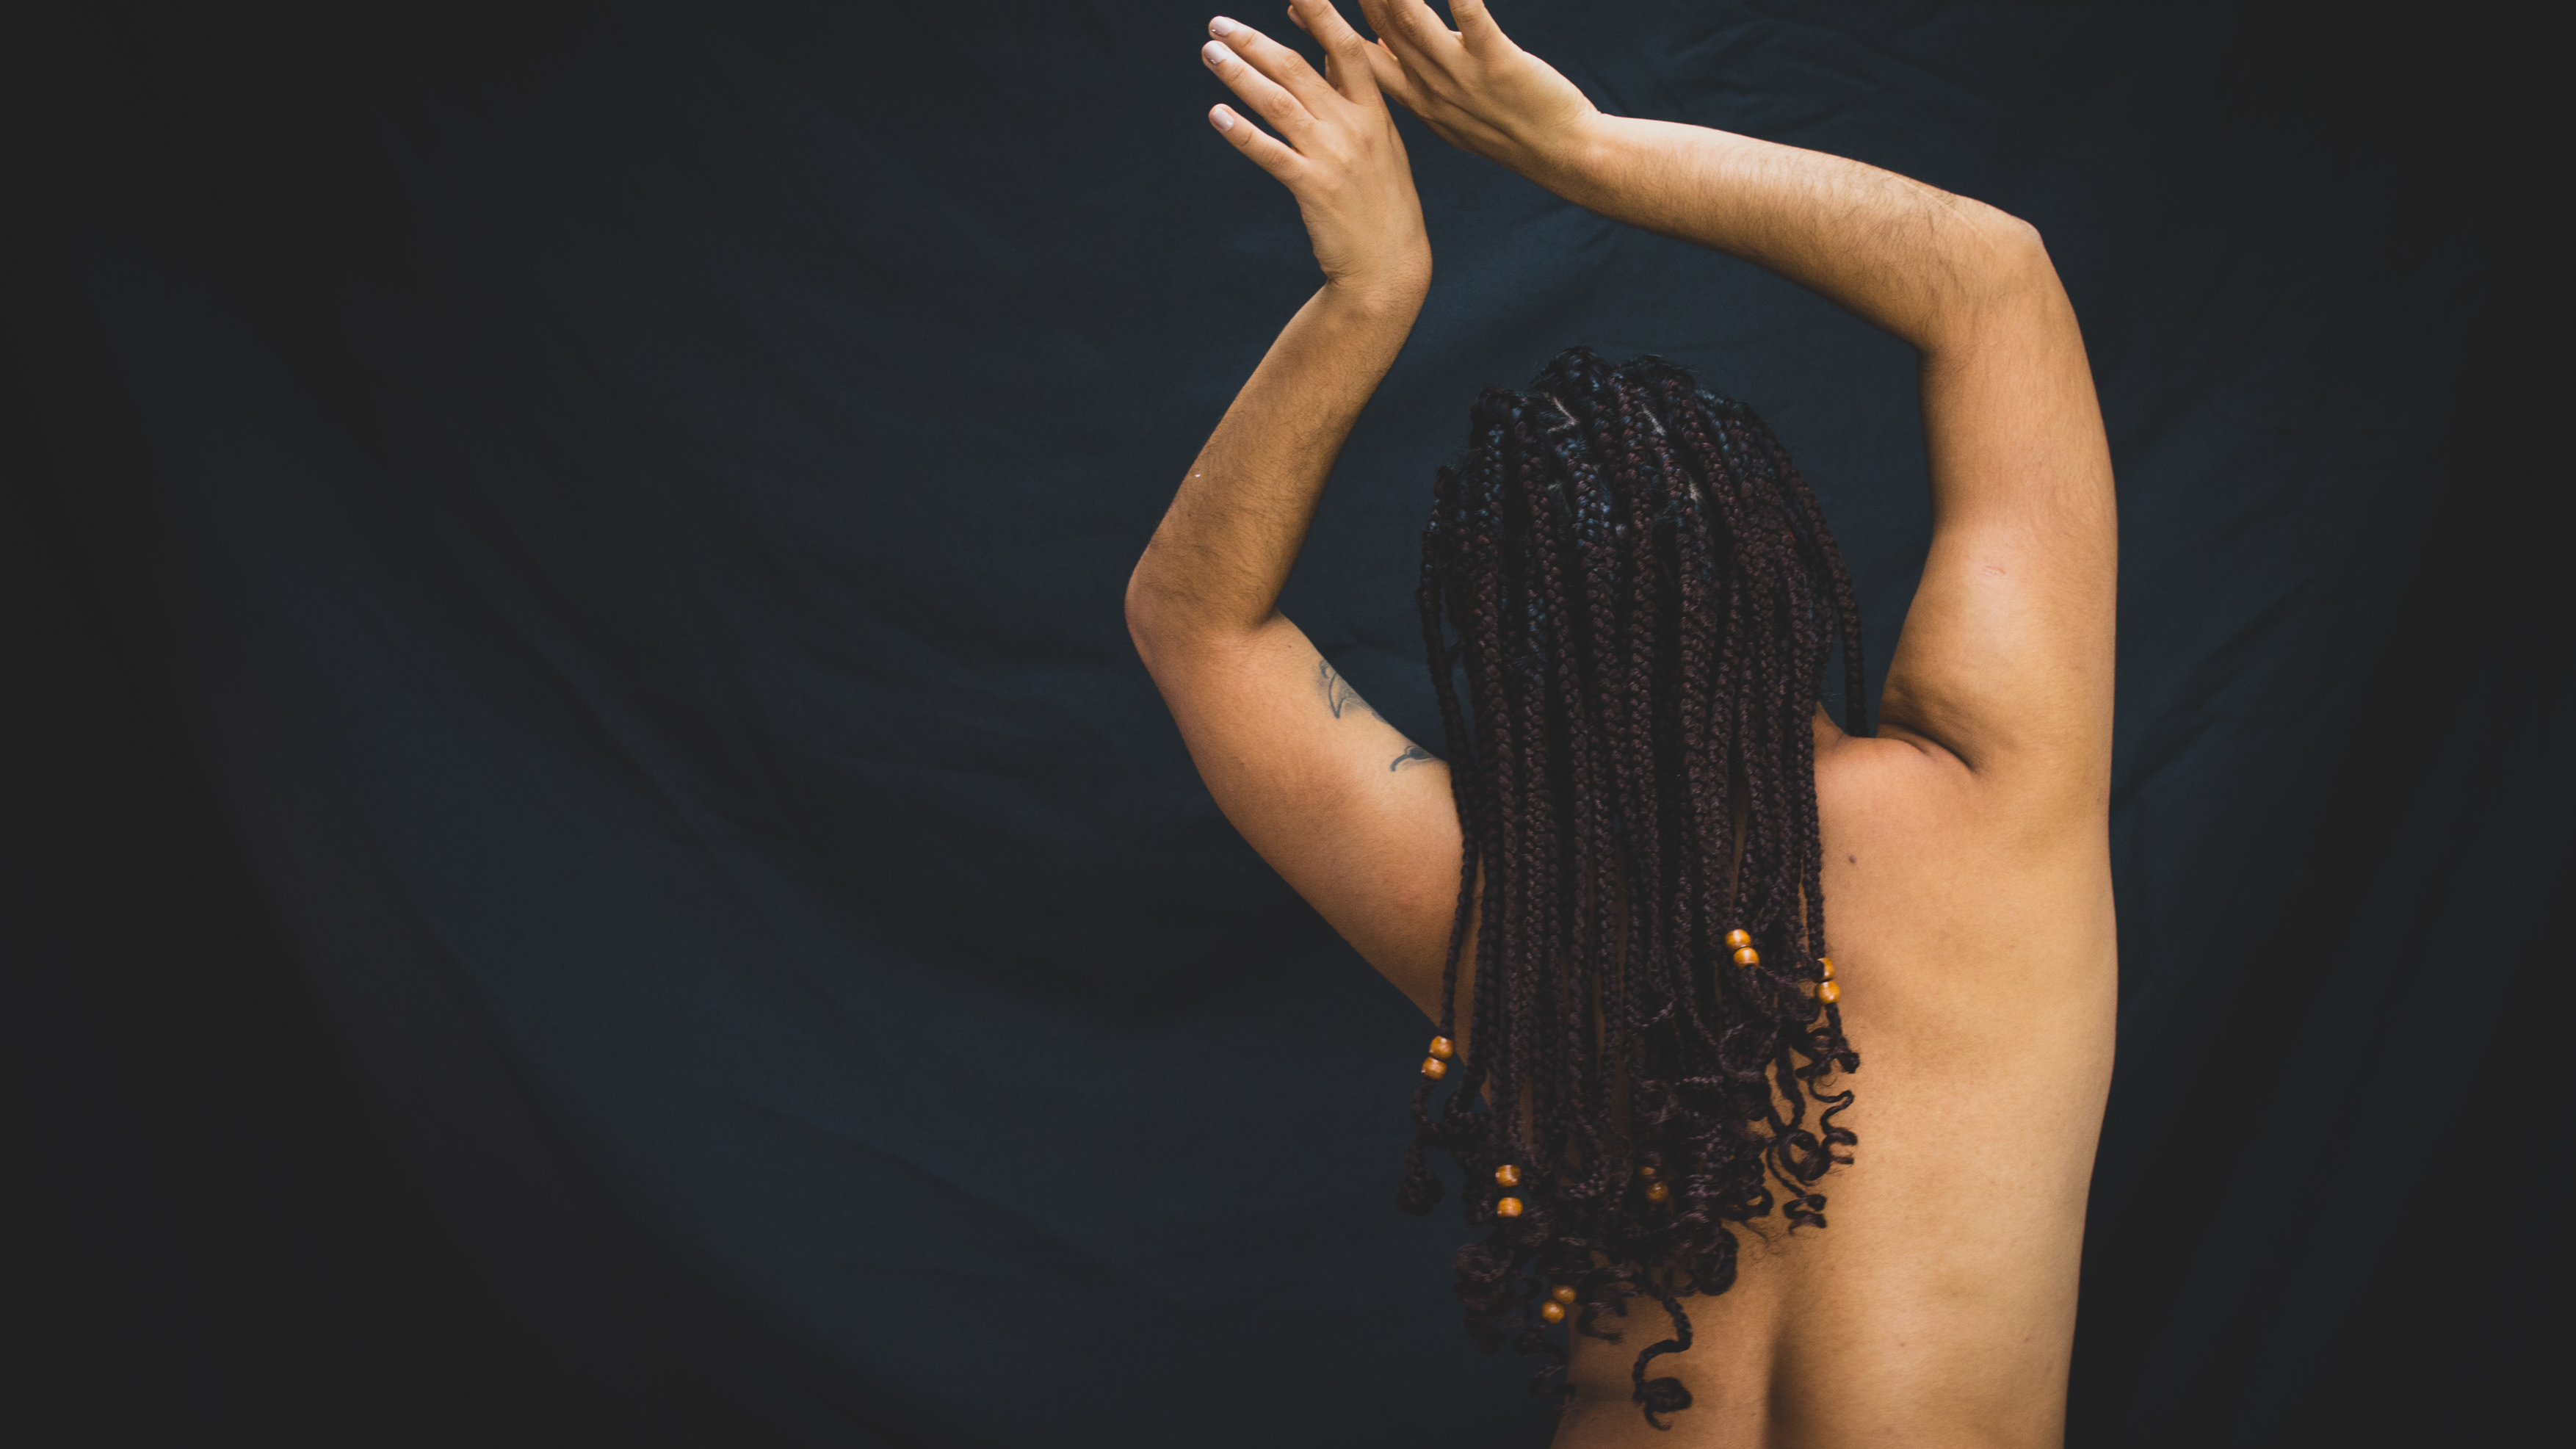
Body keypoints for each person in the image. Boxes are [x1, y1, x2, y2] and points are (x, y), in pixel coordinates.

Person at [1124, 2, 2116, 1443]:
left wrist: (1369, 295)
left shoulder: (1510, 918)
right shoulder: (1988, 799)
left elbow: (1194, 622)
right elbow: (1991, 282)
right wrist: (1577, 148)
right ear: (1784, 577)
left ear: (1496, 660)